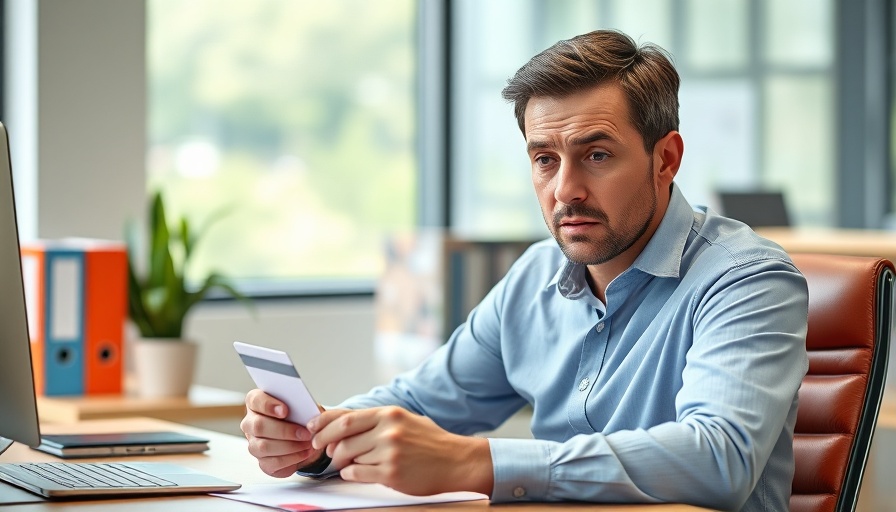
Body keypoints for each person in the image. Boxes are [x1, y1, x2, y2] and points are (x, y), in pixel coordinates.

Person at [240, 29, 808, 511]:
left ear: (666, 159)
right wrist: (318, 438)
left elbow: (719, 457)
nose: (566, 190)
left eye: (597, 155)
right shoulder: (536, 276)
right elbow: (417, 403)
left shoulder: (748, 279)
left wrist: (477, 461)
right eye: (545, 159)